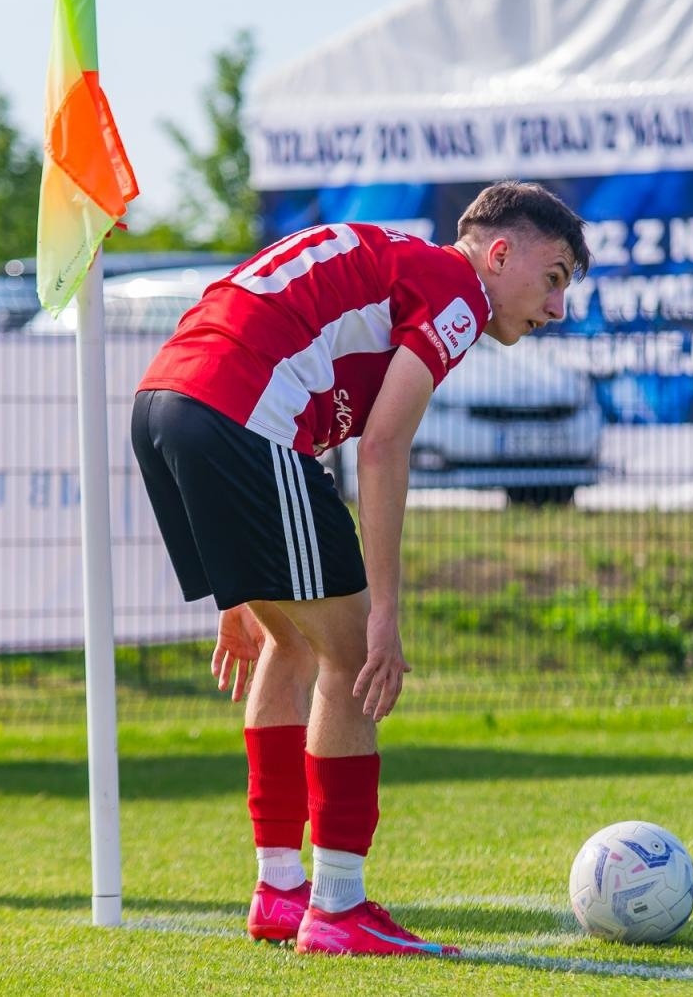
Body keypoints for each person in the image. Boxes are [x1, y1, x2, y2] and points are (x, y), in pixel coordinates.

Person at [131, 182, 590, 956]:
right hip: (238, 412)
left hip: (166, 404)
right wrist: (384, 612)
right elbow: (382, 448)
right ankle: (339, 907)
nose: (557, 307)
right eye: (553, 278)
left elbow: (266, 327)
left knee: (292, 643)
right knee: (352, 659)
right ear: (498, 253)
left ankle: (280, 890)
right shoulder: (458, 291)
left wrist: (243, 581)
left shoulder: (396, 262)